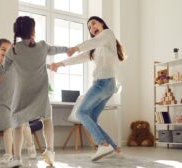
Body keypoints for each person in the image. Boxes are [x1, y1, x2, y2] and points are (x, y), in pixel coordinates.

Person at [0, 16, 68, 167]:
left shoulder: (13, 50)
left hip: (22, 94)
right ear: (33, 30)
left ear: (18, 32)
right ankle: (50, 151)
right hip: (40, 92)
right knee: (47, 120)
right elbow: (56, 49)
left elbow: (2, 69)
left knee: (17, 125)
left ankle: (17, 158)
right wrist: (68, 50)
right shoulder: (42, 46)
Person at [49, 16, 126, 161]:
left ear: (102, 23)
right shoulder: (96, 48)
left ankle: (102, 144)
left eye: (94, 23)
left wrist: (75, 47)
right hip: (107, 85)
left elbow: (94, 41)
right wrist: (58, 64)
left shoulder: (108, 35)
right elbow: (79, 58)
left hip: (102, 83)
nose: (92, 28)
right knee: (91, 118)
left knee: (81, 112)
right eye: (89, 27)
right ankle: (115, 148)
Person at [0, 38, 36, 165]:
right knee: (7, 126)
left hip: (17, 100)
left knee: (24, 127)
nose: (6, 53)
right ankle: (8, 154)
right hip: (1, 103)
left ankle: (30, 145)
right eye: (3, 50)